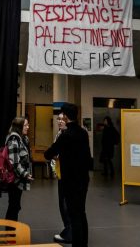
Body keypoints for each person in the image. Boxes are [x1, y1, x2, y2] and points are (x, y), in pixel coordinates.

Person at [45, 104, 92, 247]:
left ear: (65, 116)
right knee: (81, 212)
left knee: (74, 214)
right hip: (83, 179)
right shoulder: (83, 133)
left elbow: (49, 153)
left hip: (70, 181)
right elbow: (87, 158)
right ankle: (83, 243)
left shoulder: (66, 135)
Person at [5, 117, 33, 221]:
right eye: (25, 125)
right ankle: (10, 232)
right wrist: (25, 174)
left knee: (15, 206)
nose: (28, 127)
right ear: (19, 127)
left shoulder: (23, 138)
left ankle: (11, 231)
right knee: (13, 206)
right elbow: (14, 162)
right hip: (14, 180)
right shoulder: (14, 139)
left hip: (19, 179)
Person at [52, 113, 72, 244]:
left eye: (62, 119)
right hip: (62, 172)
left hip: (67, 174)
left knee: (65, 203)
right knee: (64, 202)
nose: (59, 121)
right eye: (58, 119)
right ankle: (69, 230)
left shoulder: (66, 135)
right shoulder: (60, 133)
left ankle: (69, 232)